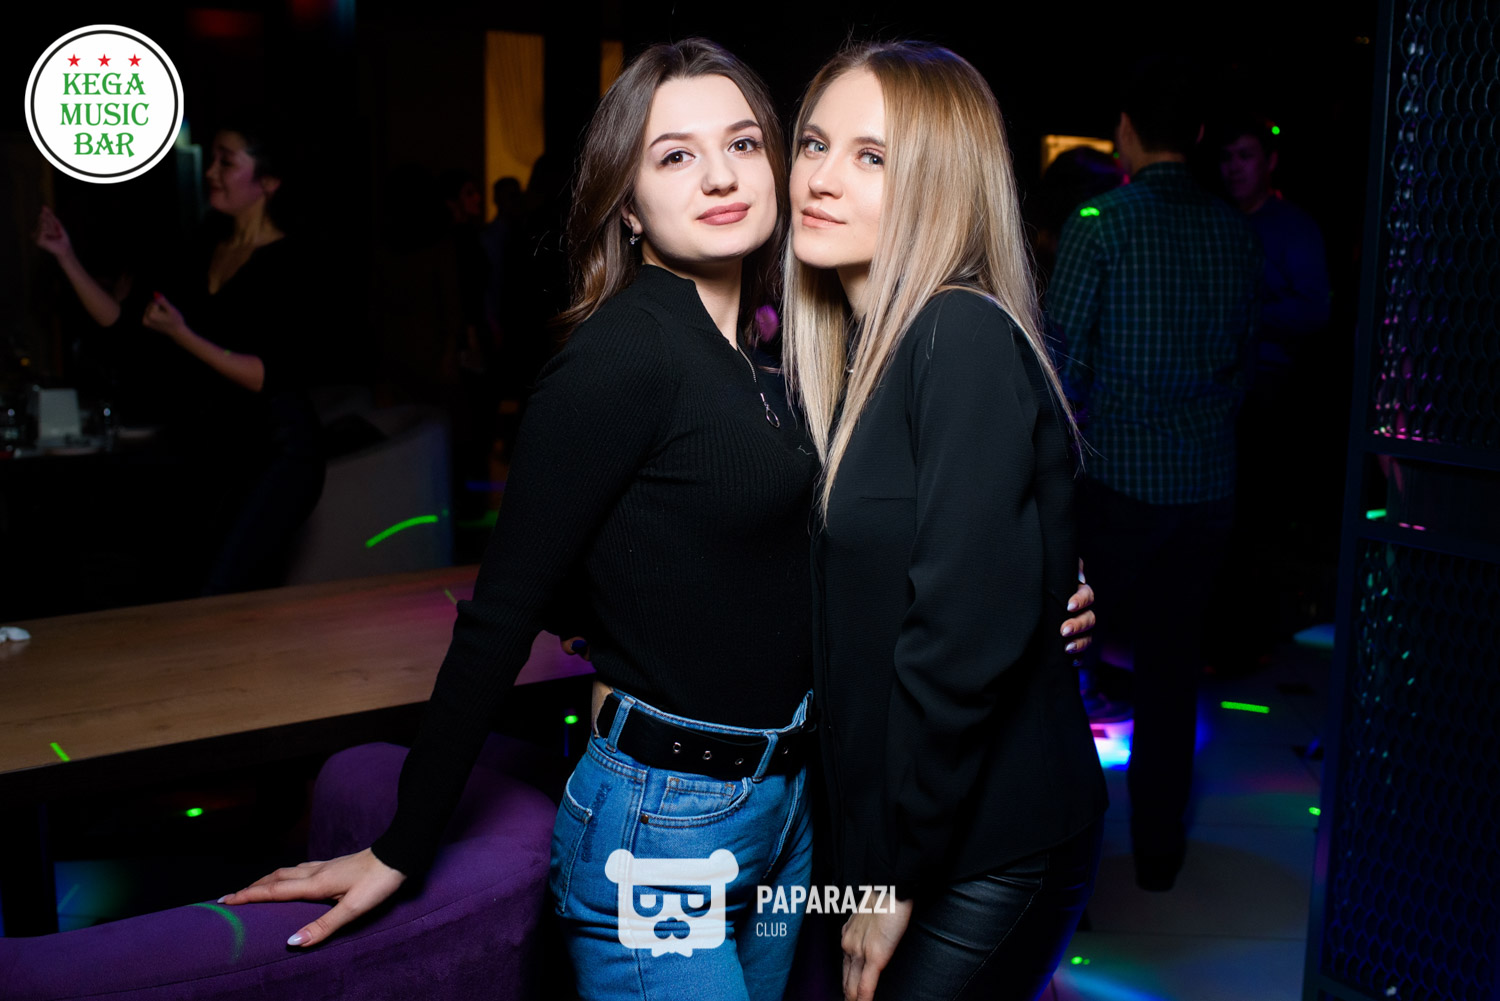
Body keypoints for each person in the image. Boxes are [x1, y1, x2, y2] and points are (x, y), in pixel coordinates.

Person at [220, 39, 1096, 1001]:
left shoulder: (797, 364)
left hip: (791, 810)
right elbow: (504, 608)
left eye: (745, 143)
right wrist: (403, 840)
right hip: (664, 818)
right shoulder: (620, 355)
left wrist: (1031, 590)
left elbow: (851, 546)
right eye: (675, 155)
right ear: (627, 205)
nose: (720, 175)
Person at [783, 42, 1109, 1001]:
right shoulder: (848, 360)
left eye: (872, 157)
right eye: (814, 143)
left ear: (940, 186)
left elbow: (959, 637)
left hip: (984, 844)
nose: (822, 178)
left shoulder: (956, 333)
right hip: (893, 831)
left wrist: (893, 875)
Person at [1047, 59, 1262, 892]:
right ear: (1200, 136)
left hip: (1119, 487)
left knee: (1069, 659)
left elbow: (1060, 366)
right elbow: (1243, 361)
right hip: (1207, 487)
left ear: (1127, 130)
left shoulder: (1099, 223)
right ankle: (1158, 850)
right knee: (1173, 669)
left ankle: (1065, 854)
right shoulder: (1234, 230)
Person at [34, 121, 324, 595]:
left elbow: (263, 376)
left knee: (217, 588)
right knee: (185, 586)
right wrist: (65, 256)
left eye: (226, 162)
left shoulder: (292, 261)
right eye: (213, 159)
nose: (211, 171)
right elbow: (125, 325)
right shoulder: (203, 249)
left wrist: (183, 335)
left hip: (280, 452)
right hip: (217, 450)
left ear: (269, 181)